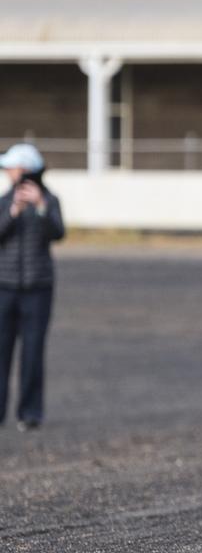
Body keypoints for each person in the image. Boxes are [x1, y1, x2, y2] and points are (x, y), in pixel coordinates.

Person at [0, 143, 65, 431]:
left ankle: (30, 413)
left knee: (33, 352)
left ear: (26, 170)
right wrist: (13, 211)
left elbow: (57, 232)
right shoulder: (5, 201)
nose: (6, 172)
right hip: (4, 286)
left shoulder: (49, 200)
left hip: (38, 288)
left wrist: (39, 207)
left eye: (11, 167)